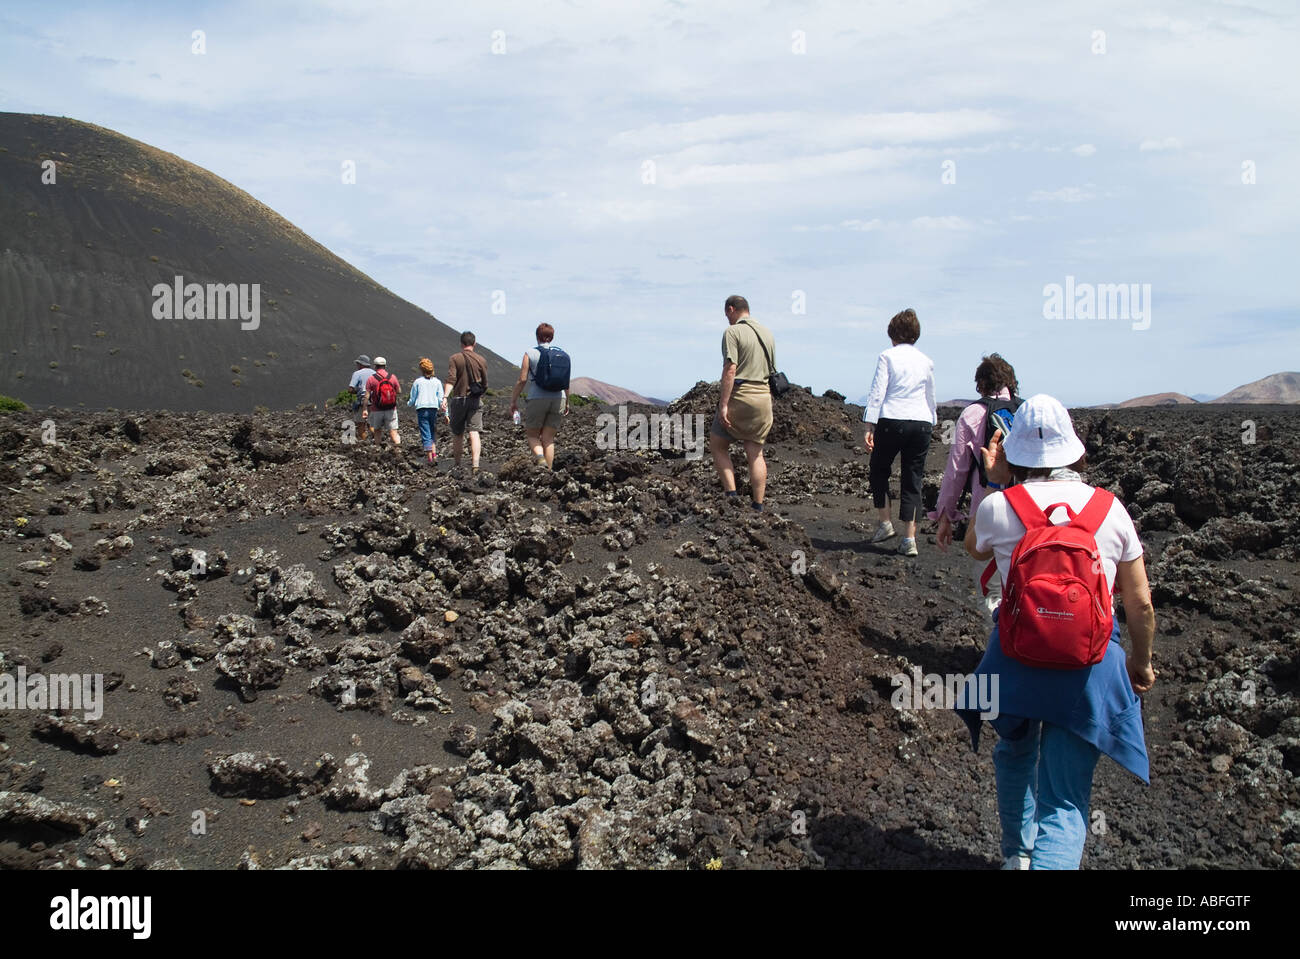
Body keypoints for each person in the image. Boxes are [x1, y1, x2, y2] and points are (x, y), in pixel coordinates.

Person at [959, 394, 1156, 870]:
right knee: (1065, 801)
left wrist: (995, 480)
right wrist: (1140, 662)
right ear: (1074, 450)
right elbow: (1140, 604)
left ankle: (1017, 857)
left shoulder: (999, 507)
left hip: (1015, 661)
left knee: (1014, 752)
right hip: (1085, 669)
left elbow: (974, 549)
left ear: (1014, 450)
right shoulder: (1112, 511)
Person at [930, 353, 1021, 612]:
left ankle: (996, 645)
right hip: (1031, 510)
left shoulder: (972, 414)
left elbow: (956, 470)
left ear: (980, 384)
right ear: (1011, 382)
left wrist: (945, 516)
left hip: (988, 509)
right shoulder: (1025, 411)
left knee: (993, 589)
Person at [863, 308, 936, 556]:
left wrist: (869, 424)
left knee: (880, 468)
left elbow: (878, 391)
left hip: (893, 419)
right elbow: (930, 395)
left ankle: (885, 523)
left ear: (893, 334)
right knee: (913, 478)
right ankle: (909, 540)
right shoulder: (926, 361)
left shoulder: (887, 356)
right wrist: (932, 422)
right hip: (922, 423)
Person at [709, 295, 775, 511]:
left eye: (726, 314)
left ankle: (731, 495)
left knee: (718, 444)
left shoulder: (733, 332)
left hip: (741, 396)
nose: (727, 319)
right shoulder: (767, 333)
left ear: (731, 309)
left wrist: (724, 405)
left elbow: (730, 368)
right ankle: (758, 505)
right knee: (755, 452)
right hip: (764, 398)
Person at [509, 323, 569, 469]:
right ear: (552, 337)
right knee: (549, 439)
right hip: (558, 398)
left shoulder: (530, 353)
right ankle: (548, 472)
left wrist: (513, 400)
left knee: (532, 435)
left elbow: (522, 379)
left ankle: (540, 458)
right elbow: (566, 382)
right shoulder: (563, 354)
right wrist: (567, 402)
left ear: (537, 336)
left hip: (537, 398)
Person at [445, 331, 488, 473]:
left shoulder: (455, 358)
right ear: (474, 343)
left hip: (458, 400)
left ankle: (457, 465)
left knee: (458, 433)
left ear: (461, 344)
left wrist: (445, 396)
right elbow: (485, 384)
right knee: (474, 432)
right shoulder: (481, 360)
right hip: (475, 400)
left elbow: (451, 379)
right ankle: (475, 465)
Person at [407, 358, 447, 466]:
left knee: (426, 433)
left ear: (421, 369)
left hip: (422, 409)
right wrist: (446, 413)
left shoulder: (418, 382)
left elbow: (413, 398)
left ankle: (430, 459)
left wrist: (409, 404)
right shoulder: (437, 382)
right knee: (432, 432)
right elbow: (441, 399)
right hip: (433, 409)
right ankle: (434, 455)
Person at [364, 356, 401, 448]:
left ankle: (378, 450)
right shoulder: (392, 377)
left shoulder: (371, 379)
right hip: (391, 409)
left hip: (376, 409)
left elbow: (367, 395)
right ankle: (399, 451)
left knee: (377, 431)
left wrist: (365, 409)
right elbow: (399, 391)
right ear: (385, 366)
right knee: (393, 432)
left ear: (375, 366)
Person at [348, 354, 375, 441]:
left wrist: (356, 391)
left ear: (361, 364)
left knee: (361, 424)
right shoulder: (375, 373)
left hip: (363, 402)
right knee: (371, 424)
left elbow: (350, 389)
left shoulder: (357, 373)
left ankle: (365, 442)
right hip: (375, 402)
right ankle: (377, 440)